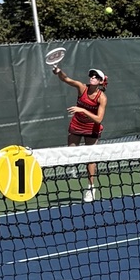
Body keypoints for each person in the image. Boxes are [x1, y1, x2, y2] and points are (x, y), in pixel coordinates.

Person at [53, 64, 108, 202]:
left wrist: (82, 110)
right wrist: (59, 72)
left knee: (90, 157)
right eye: (91, 75)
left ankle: (91, 187)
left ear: (101, 81)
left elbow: (99, 119)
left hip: (92, 127)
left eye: (96, 76)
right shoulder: (82, 87)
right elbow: (66, 79)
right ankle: (78, 166)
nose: (93, 77)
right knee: (71, 153)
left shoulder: (102, 98)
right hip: (77, 124)